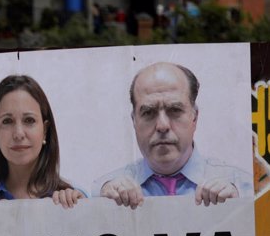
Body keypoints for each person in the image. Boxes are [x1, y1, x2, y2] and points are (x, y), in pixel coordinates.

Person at [92, 62, 253, 208]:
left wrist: (241, 213)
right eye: (148, 112)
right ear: (134, 121)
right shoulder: (102, 193)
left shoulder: (245, 188)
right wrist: (101, 210)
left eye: (175, 110)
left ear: (194, 117)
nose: (162, 126)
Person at [0, 74, 85, 214]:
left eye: (29, 120)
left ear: (45, 130)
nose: (18, 134)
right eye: (7, 121)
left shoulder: (75, 198)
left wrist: (84, 211)